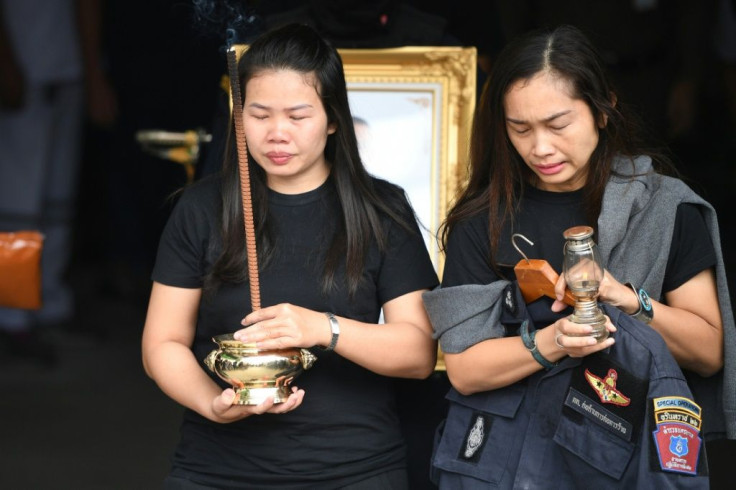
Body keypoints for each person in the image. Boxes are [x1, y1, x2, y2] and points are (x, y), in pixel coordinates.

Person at [422, 24, 735, 488]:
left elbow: (709, 351)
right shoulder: (484, 219)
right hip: (510, 463)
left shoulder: (662, 208)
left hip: (623, 456)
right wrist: (554, 343)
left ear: (602, 111)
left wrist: (623, 297)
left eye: (558, 124)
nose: (539, 147)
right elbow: (466, 368)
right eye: (520, 129)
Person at [141, 22, 439, 489]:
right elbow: (162, 343)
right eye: (259, 115)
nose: (277, 133)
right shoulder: (201, 209)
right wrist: (214, 406)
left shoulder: (382, 211)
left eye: (298, 116)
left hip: (355, 469)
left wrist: (323, 328)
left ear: (333, 118)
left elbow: (418, 352)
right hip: (216, 469)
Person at [0, 0, 116, 362]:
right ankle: (12, 317)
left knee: (57, 206)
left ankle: (49, 304)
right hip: (26, 70)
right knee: (19, 212)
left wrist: (93, 73)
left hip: (67, 70)